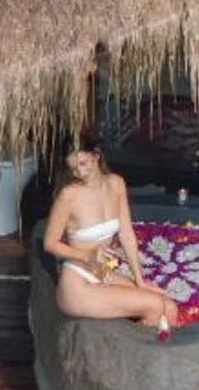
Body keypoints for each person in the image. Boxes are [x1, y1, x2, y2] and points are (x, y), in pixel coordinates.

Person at [40, 141, 179, 337]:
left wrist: (140, 280)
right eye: (73, 168)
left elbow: (126, 234)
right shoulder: (69, 196)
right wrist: (87, 255)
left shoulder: (116, 184)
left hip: (102, 273)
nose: (79, 172)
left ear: (96, 155)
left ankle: (161, 361)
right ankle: (139, 361)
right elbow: (49, 243)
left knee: (169, 307)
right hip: (78, 283)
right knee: (155, 305)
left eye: (83, 163)